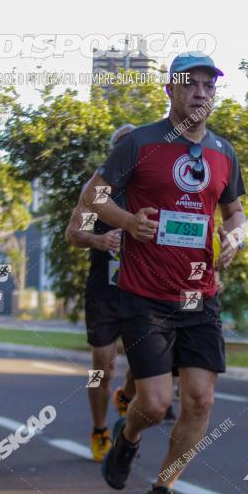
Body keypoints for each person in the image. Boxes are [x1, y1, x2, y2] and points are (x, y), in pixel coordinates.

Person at [79, 52, 246, 494]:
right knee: (153, 405)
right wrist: (129, 221)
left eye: (208, 86)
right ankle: (127, 439)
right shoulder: (140, 144)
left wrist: (236, 234)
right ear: (169, 91)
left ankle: (163, 488)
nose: (200, 92)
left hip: (200, 293)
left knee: (200, 399)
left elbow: (234, 211)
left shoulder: (223, 152)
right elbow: (93, 197)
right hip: (145, 294)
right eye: (189, 84)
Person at [65, 124, 142, 462]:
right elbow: (72, 233)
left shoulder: (153, 185)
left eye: (134, 146)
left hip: (143, 287)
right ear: (113, 152)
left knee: (145, 363)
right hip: (104, 291)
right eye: (122, 147)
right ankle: (100, 429)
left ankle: (126, 396)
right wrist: (97, 240)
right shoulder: (95, 189)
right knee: (102, 366)